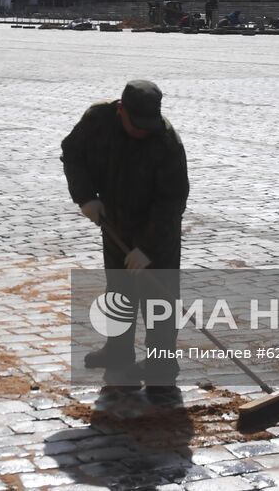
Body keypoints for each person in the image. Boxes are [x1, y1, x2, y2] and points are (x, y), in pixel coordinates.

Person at [62, 80, 189, 393]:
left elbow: (171, 203)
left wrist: (147, 249)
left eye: (149, 125)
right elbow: (72, 153)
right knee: (118, 288)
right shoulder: (97, 120)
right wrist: (85, 197)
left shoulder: (167, 144)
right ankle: (117, 351)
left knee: (160, 297)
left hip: (156, 228)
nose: (143, 131)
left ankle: (161, 364)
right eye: (137, 125)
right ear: (121, 111)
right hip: (115, 219)